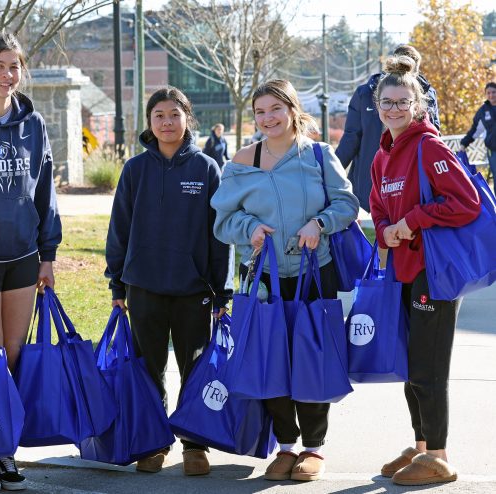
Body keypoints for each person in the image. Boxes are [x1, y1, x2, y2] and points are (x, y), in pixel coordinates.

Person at [211, 79, 359, 482]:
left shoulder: (318, 155)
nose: (268, 118)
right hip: (262, 278)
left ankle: (313, 449)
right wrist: (250, 229)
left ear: (293, 110)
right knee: (269, 358)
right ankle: (286, 446)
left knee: (312, 357)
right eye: (260, 111)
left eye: (275, 108)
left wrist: (320, 222)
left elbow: (347, 204)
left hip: (314, 272)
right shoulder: (242, 160)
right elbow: (222, 221)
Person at [105, 86, 233, 477]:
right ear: (149, 122)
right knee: (149, 368)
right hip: (144, 286)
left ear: (187, 118)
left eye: (173, 114)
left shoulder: (207, 168)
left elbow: (219, 235)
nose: (166, 122)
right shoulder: (135, 169)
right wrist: (118, 285)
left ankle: (195, 444)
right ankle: (155, 440)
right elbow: (119, 230)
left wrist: (221, 291)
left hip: (193, 289)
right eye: (158, 115)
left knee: (193, 367)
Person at [369, 55, 480, 486]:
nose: (394, 109)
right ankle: (419, 447)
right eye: (387, 102)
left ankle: (439, 456)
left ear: (417, 105)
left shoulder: (429, 147)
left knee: (428, 369)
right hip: (403, 267)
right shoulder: (383, 155)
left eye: (402, 102)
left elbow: (465, 202)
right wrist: (384, 230)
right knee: (410, 366)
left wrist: (411, 221)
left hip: (434, 272)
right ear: (377, 105)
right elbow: (378, 206)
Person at [0, 32, 62, 492]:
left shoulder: (33, 123)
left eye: (14, 66)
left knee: (14, 354)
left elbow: (46, 191)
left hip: (23, 255)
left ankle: (7, 450)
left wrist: (49, 253)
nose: (6, 75)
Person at [336, 44, 440, 212]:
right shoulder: (365, 93)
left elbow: (434, 133)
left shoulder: (427, 95)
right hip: (370, 178)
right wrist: (331, 172)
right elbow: (351, 138)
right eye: (387, 102)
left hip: (412, 177)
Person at [460, 81, 496, 195]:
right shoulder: (483, 111)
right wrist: (464, 143)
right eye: (488, 93)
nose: (491, 95)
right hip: (493, 151)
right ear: (485, 95)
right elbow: (475, 130)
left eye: (494, 92)